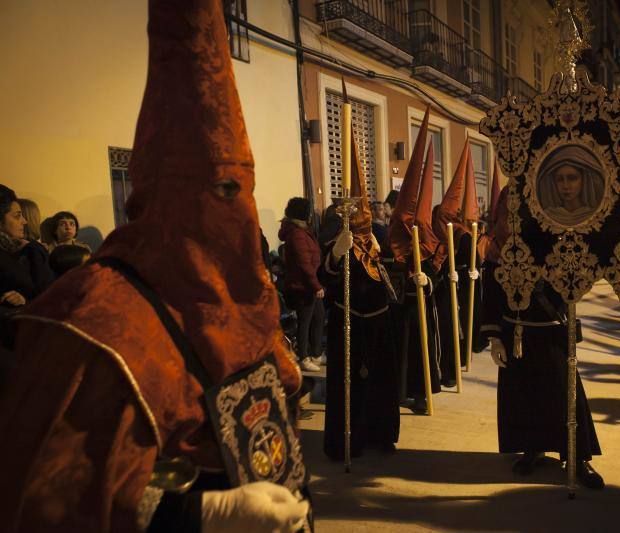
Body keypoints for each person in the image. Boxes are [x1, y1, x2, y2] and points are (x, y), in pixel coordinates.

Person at [0, 1, 310, 530]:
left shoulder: (242, 297)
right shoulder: (95, 318)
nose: (236, 212)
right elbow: (45, 500)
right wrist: (200, 513)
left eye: (243, 192)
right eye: (221, 191)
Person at [481, 186, 604, 489]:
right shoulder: (498, 247)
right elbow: (492, 294)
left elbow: (575, 281)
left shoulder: (558, 241)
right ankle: (532, 447)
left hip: (551, 329)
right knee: (523, 394)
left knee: (565, 392)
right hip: (516, 330)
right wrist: (495, 337)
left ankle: (577, 455)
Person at [319, 116, 399, 459]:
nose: (363, 218)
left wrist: (397, 269)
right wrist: (338, 253)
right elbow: (326, 279)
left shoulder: (380, 237)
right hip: (347, 323)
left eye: (366, 213)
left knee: (380, 385)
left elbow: (395, 271)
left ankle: (381, 437)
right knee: (347, 386)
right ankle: (345, 441)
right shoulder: (334, 237)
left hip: (379, 324)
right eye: (357, 214)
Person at [388, 108, 442, 413]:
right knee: (401, 351)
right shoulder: (393, 239)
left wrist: (428, 279)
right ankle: (400, 393)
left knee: (422, 350)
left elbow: (438, 271)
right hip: (400, 307)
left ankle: (423, 394)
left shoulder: (431, 241)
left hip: (422, 302)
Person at [431, 139, 481, 388]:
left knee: (457, 330)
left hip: (457, 290)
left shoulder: (463, 236)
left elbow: (475, 263)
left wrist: (470, 274)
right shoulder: (432, 239)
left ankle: (456, 368)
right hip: (440, 293)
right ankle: (447, 372)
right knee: (446, 332)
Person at [279, 197, 325, 372]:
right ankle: (304, 357)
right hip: (302, 286)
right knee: (305, 321)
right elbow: (304, 264)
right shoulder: (297, 234)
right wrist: (316, 286)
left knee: (319, 316)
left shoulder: (302, 231)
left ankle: (316, 353)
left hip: (309, 284)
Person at [0, 185, 53, 313]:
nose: (24, 221)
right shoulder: (27, 251)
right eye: (17, 216)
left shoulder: (12, 250)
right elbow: (43, 294)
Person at [537, 145, 604, 226]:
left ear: (585, 180)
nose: (565, 186)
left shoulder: (594, 215)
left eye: (572, 178)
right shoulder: (549, 215)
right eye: (560, 179)